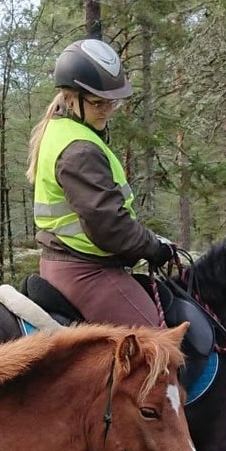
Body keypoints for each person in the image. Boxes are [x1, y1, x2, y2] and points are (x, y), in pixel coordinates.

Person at [29, 38, 174, 328]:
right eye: (98, 102)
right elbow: (108, 225)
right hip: (85, 271)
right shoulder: (79, 149)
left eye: (112, 102)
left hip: (71, 262)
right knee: (158, 348)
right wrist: (153, 248)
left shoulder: (62, 129)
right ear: (70, 97)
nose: (107, 109)